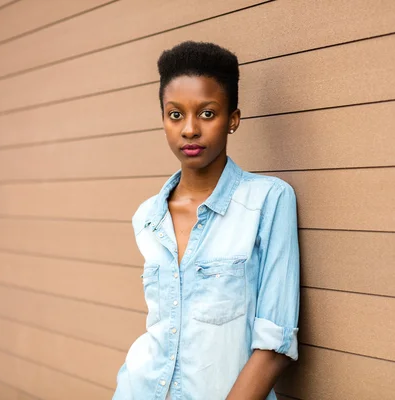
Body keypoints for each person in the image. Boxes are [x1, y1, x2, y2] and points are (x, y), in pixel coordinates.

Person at [112, 41, 300, 400]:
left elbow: (274, 346)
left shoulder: (268, 200)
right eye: (176, 114)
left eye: (208, 114)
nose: (190, 130)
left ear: (233, 119)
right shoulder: (148, 216)